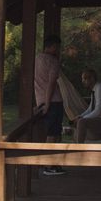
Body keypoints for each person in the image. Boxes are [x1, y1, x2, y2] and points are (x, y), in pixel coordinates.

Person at [34, 34, 66, 176]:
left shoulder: (37, 59)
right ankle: (49, 165)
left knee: (54, 132)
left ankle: (54, 164)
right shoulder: (53, 61)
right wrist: (48, 103)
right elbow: (51, 84)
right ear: (52, 47)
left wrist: (42, 103)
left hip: (40, 99)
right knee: (53, 134)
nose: (58, 49)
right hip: (53, 102)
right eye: (57, 47)